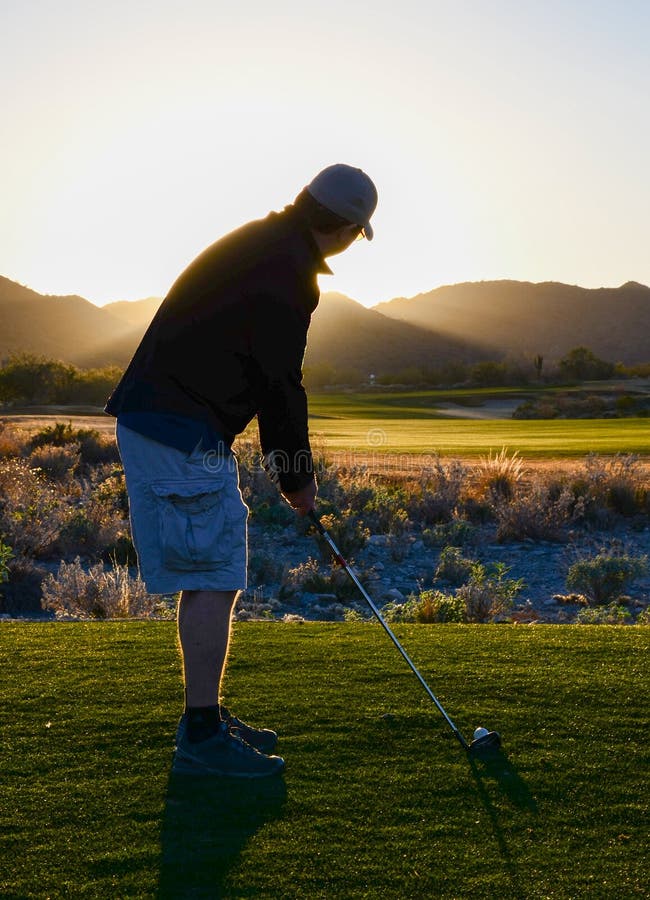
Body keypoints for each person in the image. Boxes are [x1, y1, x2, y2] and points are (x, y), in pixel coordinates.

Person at [105, 163, 378, 777]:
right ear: (343, 229)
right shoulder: (288, 271)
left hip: (169, 422)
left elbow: (264, 374)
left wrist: (288, 470)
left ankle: (206, 716)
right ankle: (201, 736)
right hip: (176, 427)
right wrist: (296, 478)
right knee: (212, 572)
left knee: (213, 571)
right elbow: (280, 383)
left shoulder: (264, 243)